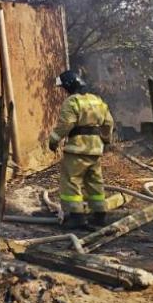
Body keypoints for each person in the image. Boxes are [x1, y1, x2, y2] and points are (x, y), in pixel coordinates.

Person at [48, 70, 115, 230]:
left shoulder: (72, 102)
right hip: (95, 150)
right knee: (95, 182)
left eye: (64, 87)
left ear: (69, 86)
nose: (64, 90)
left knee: (71, 181)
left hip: (77, 149)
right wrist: (106, 140)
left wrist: (53, 141)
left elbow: (66, 124)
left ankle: (77, 217)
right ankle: (100, 215)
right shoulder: (97, 101)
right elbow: (108, 123)